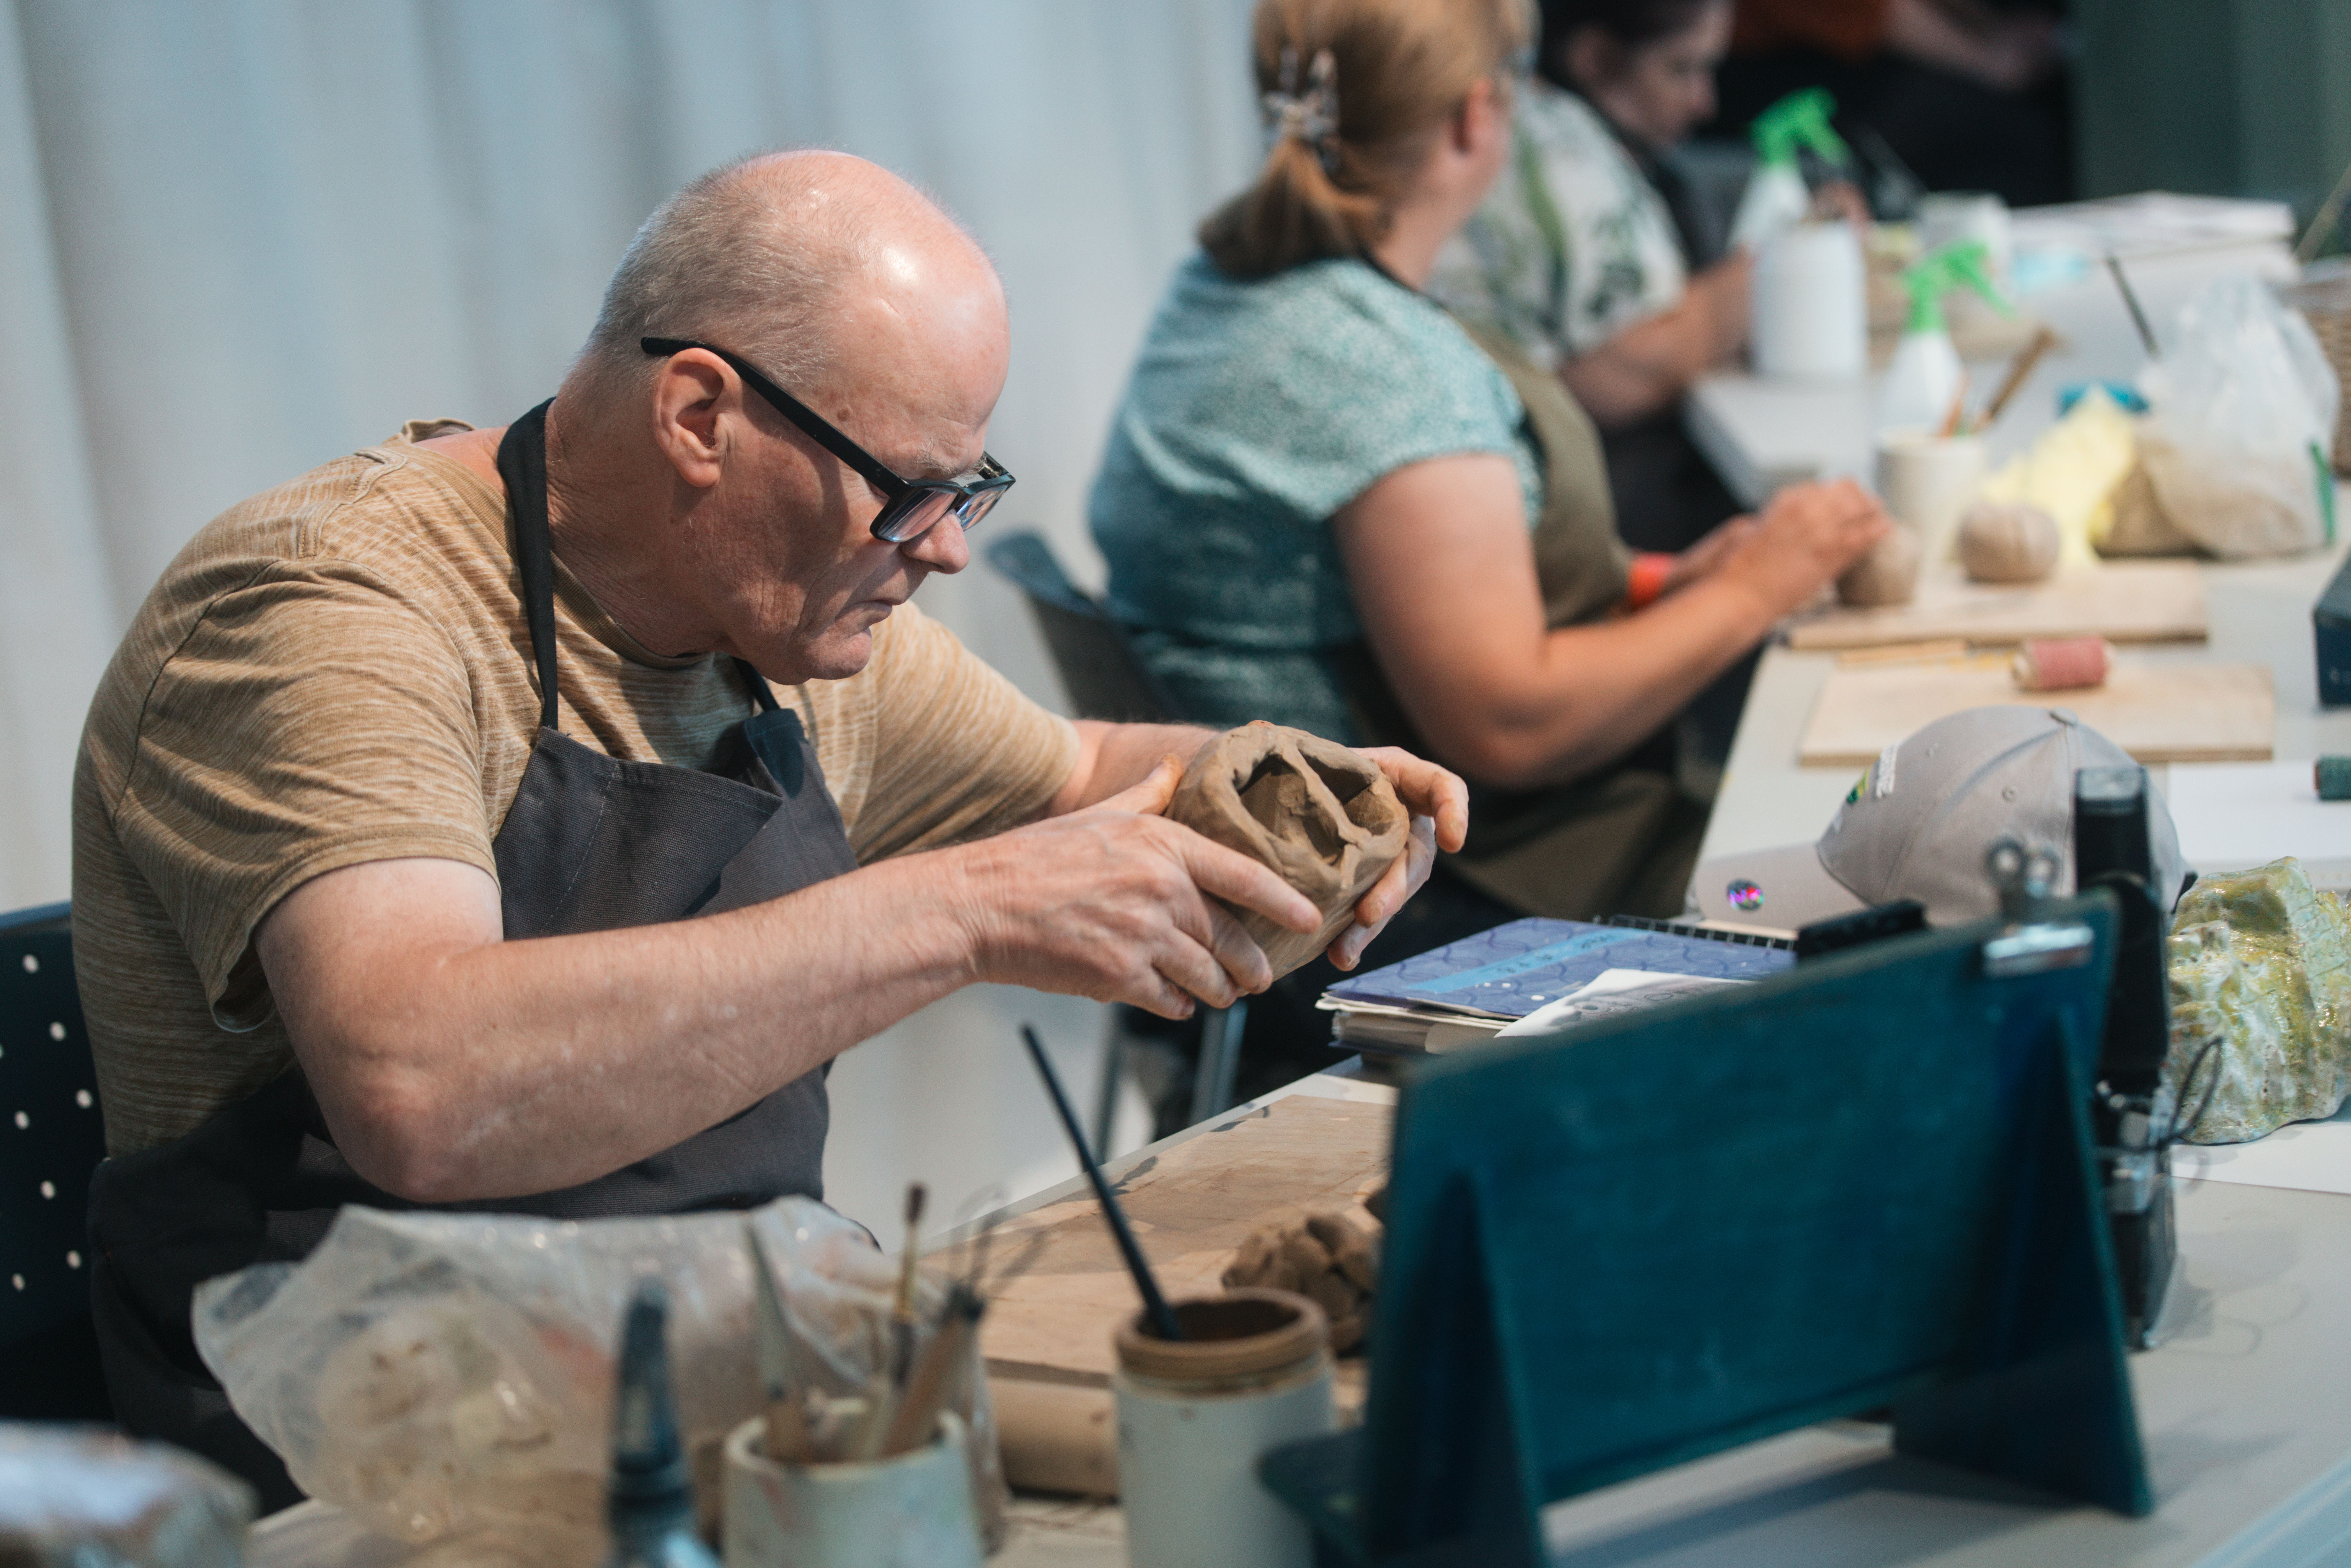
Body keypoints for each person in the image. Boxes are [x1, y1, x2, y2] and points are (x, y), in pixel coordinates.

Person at [70, 151, 1465, 1505]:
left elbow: (1083, 770)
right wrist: (965, 912)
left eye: (969, 490)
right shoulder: (329, 617)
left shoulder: (778, 615)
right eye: (911, 489)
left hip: (704, 1371)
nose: (947, 549)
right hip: (375, 1462)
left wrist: (1305, 794)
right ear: (698, 417)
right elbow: (421, 1087)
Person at [1089, 0, 1884, 1102]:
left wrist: (1671, 579)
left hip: (1274, 859)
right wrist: (1758, 587)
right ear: (1477, 114)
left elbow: (1412, 580)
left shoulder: (1230, 284)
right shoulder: (1379, 362)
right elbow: (1513, 721)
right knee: (1843, 876)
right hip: (1388, 899)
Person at [1429, 0, 1753, 558]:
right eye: (1681, 68)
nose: (1705, 102)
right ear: (1593, 57)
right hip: (1575, 516)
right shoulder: (1557, 147)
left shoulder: (1544, 130)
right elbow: (1622, 371)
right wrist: (1782, 264)